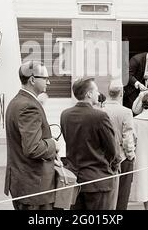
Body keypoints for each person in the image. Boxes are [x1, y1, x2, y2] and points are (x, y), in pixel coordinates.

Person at [4, 61, 58, 210]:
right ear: (32, 79)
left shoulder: (17, 101)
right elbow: (33, 148)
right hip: (34, 188)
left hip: (26, 185)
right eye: (45, 77)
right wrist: (53, 144)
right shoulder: (28, 105)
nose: (48, 81)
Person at [60, 77, 120, 210]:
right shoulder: (100, 116)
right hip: (99, 180)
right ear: (88, 94)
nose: (98, 94)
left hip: (74, 179)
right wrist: (113, 167)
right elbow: (113, 150)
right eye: (96, 91)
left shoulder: (65, 115)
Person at [102, 80, 136, 210]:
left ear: (109, 93)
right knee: (123, 193)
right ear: (121, 93)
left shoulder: (101, 110)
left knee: (108, 193)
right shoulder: (126, 112)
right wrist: (131, 155)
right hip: (122, 156)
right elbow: (127, 137)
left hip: (105, 157)